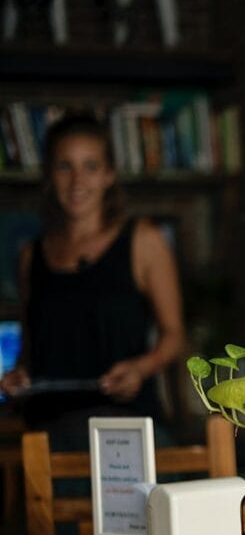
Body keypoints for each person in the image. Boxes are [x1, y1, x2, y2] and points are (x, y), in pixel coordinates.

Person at [0, 112, 185, 450]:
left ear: (109, 175)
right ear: (49, 176)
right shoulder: (30, 256)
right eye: (64, 166)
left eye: (91, 166)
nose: (77, 180)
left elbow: (173, 335)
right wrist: (18, 376)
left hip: (127, 429)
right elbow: (31, 347)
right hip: (46, 432)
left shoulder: (143, 241)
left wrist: (140, 369)